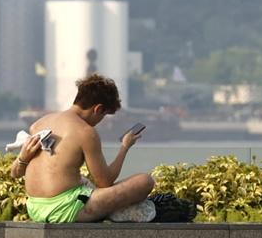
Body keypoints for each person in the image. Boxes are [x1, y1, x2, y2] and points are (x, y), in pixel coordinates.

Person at [11, 72, 155, 223]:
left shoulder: (39, 123)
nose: (101, 120)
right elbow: (104, 182)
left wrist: (23, 158)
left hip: (35, 208)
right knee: (145, 181)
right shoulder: (86, 132)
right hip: (66, 210)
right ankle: (117, 212)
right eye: (104, 115)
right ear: (98, 109)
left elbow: (15, 173)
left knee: (82, 180)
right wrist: (124, 147)